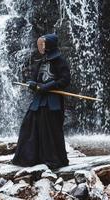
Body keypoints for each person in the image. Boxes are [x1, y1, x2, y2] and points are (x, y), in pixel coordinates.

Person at [12, 33, 70, 169]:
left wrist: (49, 86)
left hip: (52, 100)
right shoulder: (42, 61)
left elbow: (65, 80)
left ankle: (53, 160)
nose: (41, 46)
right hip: (39, 99)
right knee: (29, 125)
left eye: (43, 44)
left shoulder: (60, 61)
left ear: (50, 45)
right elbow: (35, 77)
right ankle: (28, 158)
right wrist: (32, 84)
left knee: (50, 129)